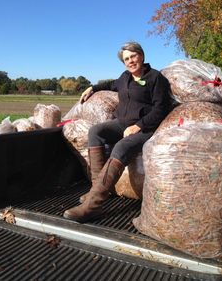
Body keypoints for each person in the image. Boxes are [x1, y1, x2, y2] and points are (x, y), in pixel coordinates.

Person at [63, 41, 173, 223]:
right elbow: (111, 84)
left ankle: (93, 206)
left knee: (122, 146)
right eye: (126, 59)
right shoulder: (125, 77)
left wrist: (139, 126)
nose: (130, 61)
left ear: (142, 55)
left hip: (147, 128)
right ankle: (96, 190)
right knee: (95, 131)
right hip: (123, 123)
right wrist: (93, 88)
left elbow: (161, 109)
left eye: (133, 56)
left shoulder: (155, 78)